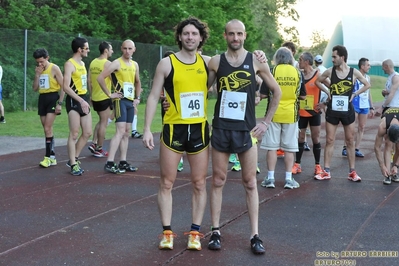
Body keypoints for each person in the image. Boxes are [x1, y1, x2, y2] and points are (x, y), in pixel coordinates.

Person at [206, 19, 281, 255]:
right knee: (218, 180)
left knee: (250, 182)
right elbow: (201, 89)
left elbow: (276, 91)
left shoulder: (256, 61)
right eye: (231, 34)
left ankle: (255, 235)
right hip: (221, 129)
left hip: (246, 131)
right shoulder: (216, 62)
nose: (235, 38)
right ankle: (215, 231)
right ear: (224, 35)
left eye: (239, 34)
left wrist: (266, 122)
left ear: (245, 35)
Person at [143, 17, 211, 251]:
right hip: (173, 129)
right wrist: (146, 129)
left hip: (199, 130)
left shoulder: (209, 63)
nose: (190, 37)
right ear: (180, 37)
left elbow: (238, 61)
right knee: (166, 182)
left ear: (201, 37)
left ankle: (195, 232)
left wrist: (260, 57)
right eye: (186, 34)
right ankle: (167, 233)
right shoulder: (167, 63)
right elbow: (153, 96)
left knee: (200, 183)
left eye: (194, 34)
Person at [315, 45, 371, 181]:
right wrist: (328, 91)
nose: (332, 59)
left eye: (334, 57)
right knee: (329, 140)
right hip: (333, 110)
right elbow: (318, 81)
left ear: (342, 57)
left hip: (347, 111)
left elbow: (367, 84)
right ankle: (326, 170)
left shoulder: (354, 72)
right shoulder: (329, 71)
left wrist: (355, 94)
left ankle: (352, 171)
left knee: (350, 140)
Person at [260, 47, 305, 189]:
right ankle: (288, 179)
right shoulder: (297, 72)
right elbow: (303, 95)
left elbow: (263, 94)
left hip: (273, 114)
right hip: (291, 114)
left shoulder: (272, 71)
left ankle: (271, 178)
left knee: (271, 147)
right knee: (289, 148)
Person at [97, 40, 141, 174]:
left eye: (130, 49)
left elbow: (137, 82)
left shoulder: (135, 64)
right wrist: (110, 94)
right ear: (121, 49)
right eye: (125, 48)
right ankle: (109, 162)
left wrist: (137, 98)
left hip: (129, 101)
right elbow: (100, 77)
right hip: (119, 100)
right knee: (120, 130)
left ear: (134, 49)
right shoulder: (116, 63)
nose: (127, 51)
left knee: (127, 132)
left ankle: (123, 162)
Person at [63, 37, 92, 176]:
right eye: (86, 48)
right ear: (79, 49)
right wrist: (80, 100)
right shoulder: (69, 64)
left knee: (87, 132)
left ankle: (73, 158)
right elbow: (65, 87)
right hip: (74, 100)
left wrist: (86, 99)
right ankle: (73, 164)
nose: (88, 50)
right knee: (74, 133)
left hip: (84, 98)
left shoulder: (83, 63)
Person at [291, 52, 323, 176]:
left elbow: (332, 87)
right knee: (300, 138)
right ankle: (297, 164)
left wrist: (324, 103)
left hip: (314, 112)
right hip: (301, 112)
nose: (298, 62)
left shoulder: (318, 74)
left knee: (316, 138)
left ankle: (317, 165)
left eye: (300, 60)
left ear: (307, 62)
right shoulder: (298, 75)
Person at [32, 48, 65, 168]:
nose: (40, 64)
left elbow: (63, 87)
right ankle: (52, 156)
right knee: (47, 130)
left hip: (52, 98)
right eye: (38, 62)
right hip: (42, 99)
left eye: (42, 61)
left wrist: (60, 103)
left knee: (47, 127)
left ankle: (47, 158)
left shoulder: (54, 68)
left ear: (47, 58)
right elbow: (35, 88)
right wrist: (37, 75)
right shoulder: (38, 70)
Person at [342, 58, 374, 157]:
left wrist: (371, 106)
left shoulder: (367, 78)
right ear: (362, 66)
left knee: (362, 127)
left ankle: (356, 148)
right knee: (351, 127)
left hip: (365, 106)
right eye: (368, 65)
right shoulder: (354, 76)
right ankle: (345, 147)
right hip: (355, 104)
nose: (369, 67)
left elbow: (369, 93)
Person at [87, 41, 114, 158]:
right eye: (111, 49)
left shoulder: (93, 62)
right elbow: (114, 80)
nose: (112, 51)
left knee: (101, 120)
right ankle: (99, 148)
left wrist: (91, 95)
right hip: (104, 97)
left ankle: (94, 143)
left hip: (96, 97)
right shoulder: (108, 63)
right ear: (106, 50)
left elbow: (89, 80)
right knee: (104, 122)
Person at [374, 107, 399, 185]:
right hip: (388, 116)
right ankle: (387, 173)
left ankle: (394, 171)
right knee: (388, 144)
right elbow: (377, 147)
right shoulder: (382, 127)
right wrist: (382, 166)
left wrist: (396, 166)